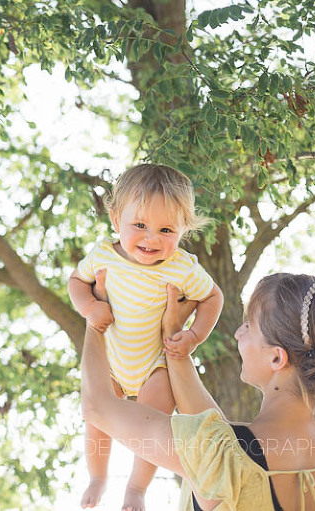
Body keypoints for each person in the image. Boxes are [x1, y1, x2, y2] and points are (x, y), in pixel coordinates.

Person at [81, 271, 315, 510]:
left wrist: (95, 320)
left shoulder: (225, 455)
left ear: (277, 357)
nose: (238, 333)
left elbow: (96, 405)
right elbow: (220, 438)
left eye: (248, 325)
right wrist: (173, 339)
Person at [68, 163, 224, 510]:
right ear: (115, 218)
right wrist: (90, 307)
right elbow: (76, 282)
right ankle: (98, 476)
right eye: (139, 225)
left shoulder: (182, 267)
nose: (151, 238)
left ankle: (137, 488)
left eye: (166, 229)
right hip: (111, 360)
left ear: (184, 229)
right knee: (96, 418)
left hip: (154, 362)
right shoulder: (105, 255)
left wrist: (195, 335)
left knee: (156, 415)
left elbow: (213, 297)